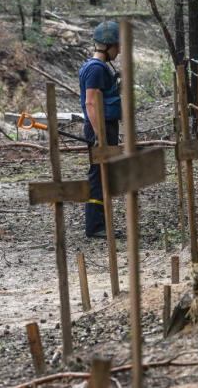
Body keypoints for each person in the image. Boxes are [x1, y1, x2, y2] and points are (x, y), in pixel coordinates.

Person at [78, 21, 122, 238]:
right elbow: (90, 103)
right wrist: (99, 134)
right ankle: (95, 227)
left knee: (106, 174)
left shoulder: (101, 67)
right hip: (100, 128)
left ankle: (102, 223)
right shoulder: (95, 69)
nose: (119, 50)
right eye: (117, 45)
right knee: (98, 175)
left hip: (105, 127)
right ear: (107, 46)